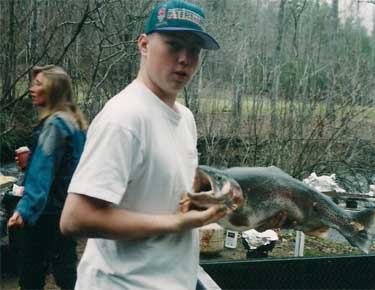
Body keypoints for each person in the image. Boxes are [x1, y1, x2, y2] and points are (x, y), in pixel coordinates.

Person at [60, 1, 224, 289]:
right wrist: (176, 223)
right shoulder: (124, 117)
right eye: (173, 45)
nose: (185, 59)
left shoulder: (185, 118)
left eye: (194, 50)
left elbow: (167, 195)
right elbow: (75, 218)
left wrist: (238, 209)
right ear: (144, 45)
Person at [7, 65, 87, 290]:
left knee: (32, 274)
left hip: (47, 212)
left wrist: (24, 210)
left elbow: (43, 172)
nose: (32, 89)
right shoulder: (75, 123)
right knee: (66, 269)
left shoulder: (53, 125)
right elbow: (68, 165)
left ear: (54, 90)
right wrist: (33, 160)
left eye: (39, 84)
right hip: (67, 208)